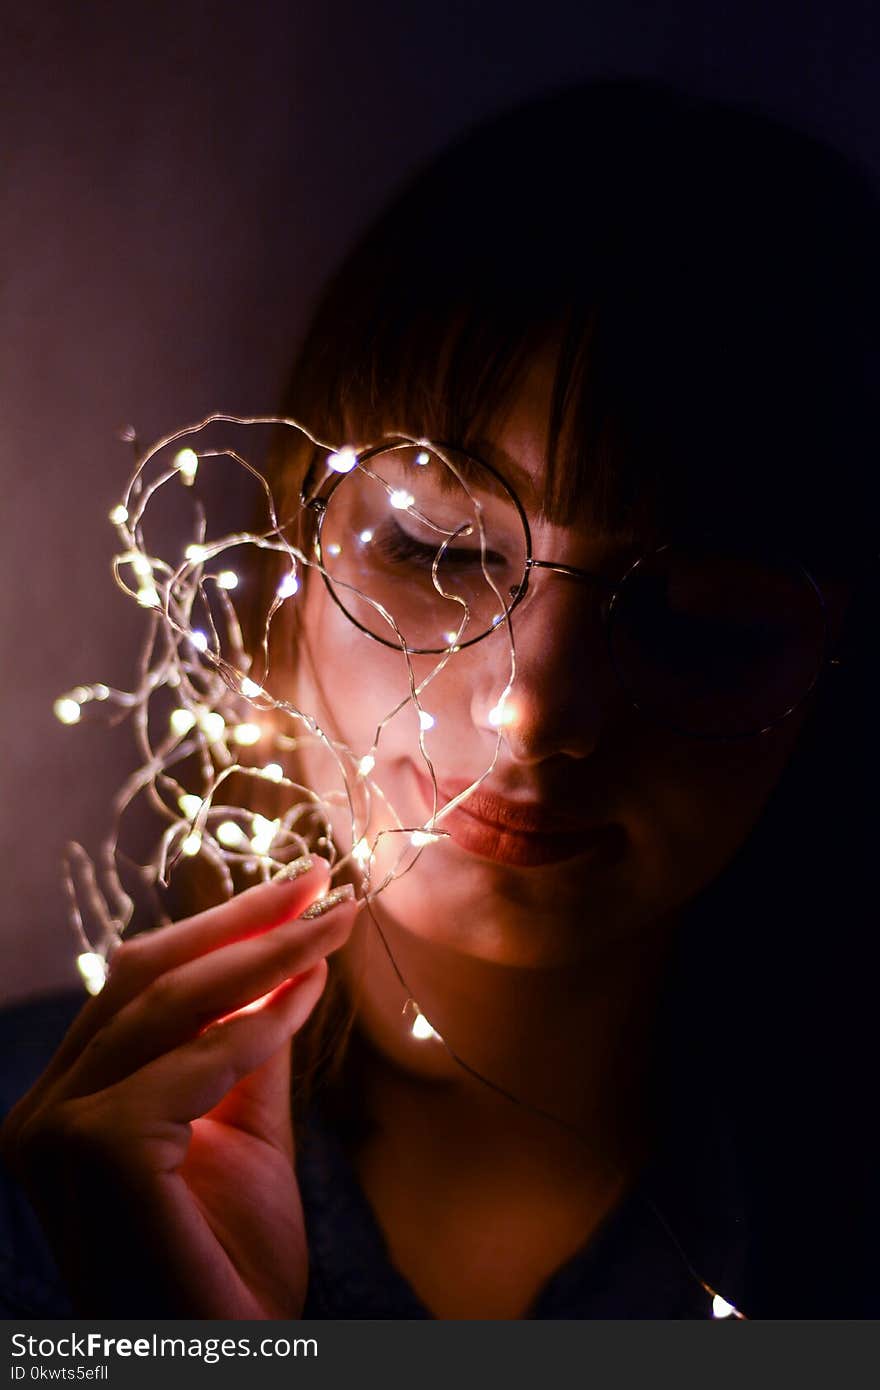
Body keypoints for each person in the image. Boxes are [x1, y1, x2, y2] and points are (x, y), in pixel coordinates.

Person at [1, 78, 878, 1320]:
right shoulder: (29, 1175)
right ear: (296, 547)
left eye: (696, 617)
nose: (531, 716)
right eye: (436, 550)